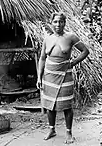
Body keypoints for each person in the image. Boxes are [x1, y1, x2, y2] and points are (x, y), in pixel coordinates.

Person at [36, 12, 89, 144]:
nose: (58, 24)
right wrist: (39, 77)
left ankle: (69, 132)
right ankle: (52, 129)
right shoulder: (47, 39)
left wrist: (73, 63)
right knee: (49, 105)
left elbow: (85, 51)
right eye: (55, 22)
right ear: (51, 23)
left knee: (66, 106)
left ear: (64, 23)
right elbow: (42, 58)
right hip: (49, 75)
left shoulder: (70, 37)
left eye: (61, 22)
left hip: (65, 74)